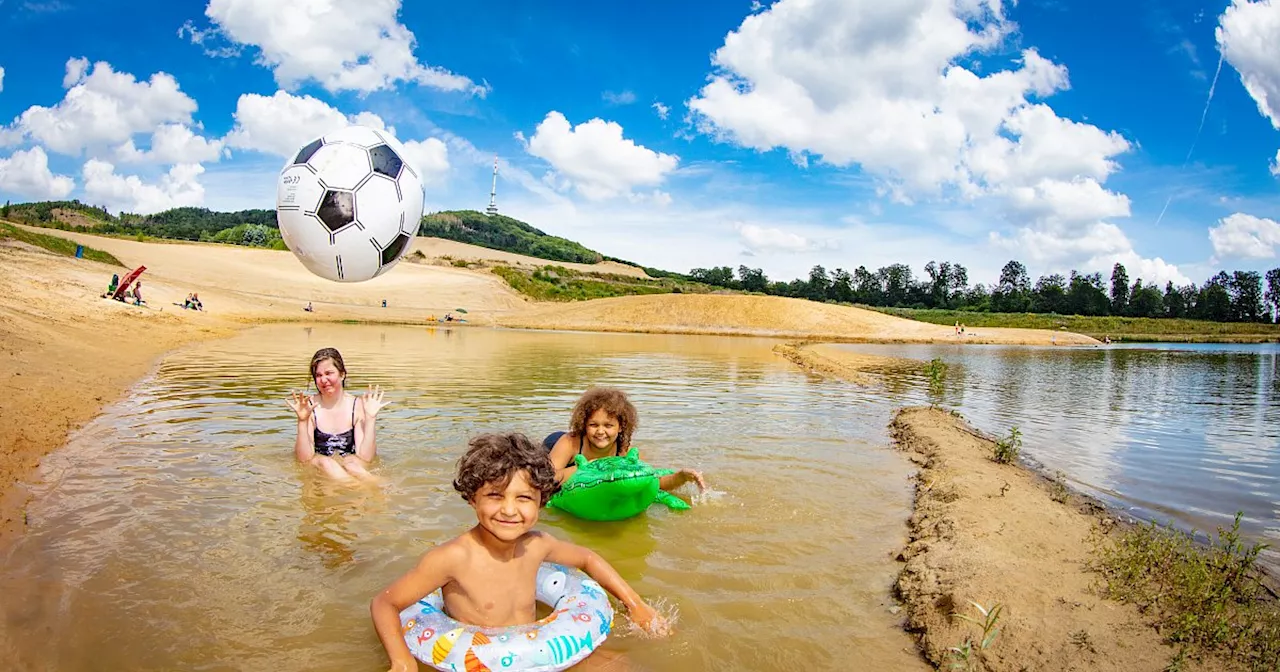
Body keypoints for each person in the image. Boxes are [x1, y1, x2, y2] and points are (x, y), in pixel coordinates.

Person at [369, 433, 668, 672]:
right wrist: (402, 661)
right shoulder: (453, 558)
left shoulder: (536, 545)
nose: (510, 510)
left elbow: (588, 558)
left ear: (541, 502)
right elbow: (385, 603)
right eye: (495, 495)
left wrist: (635, 604)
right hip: (479, 662)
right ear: (473, 498)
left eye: (524, 498)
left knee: (621, 665)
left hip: (538, 655)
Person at [544, 386, 706, 493]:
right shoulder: (569, 442)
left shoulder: (624, 452)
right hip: (555, 446)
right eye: (593, 425)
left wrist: (682, 476)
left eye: (608, 425)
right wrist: (595, 467)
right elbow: (547, 480)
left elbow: (653, 482)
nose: (601, 431)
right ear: (584, 425)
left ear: (620, 427)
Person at [286, 347, 388, 482]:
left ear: (342, 374)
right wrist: (302, 421)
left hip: (350, 465)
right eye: (318, 375)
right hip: (320, 468)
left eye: (329, 373)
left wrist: (370, 418)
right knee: (326, 463)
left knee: (351, 464)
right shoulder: (309, 406)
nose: (323, 380)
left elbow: (366, 458)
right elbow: (304, 460)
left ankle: (369, 486)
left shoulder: (357, 406)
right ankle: (374, 487)